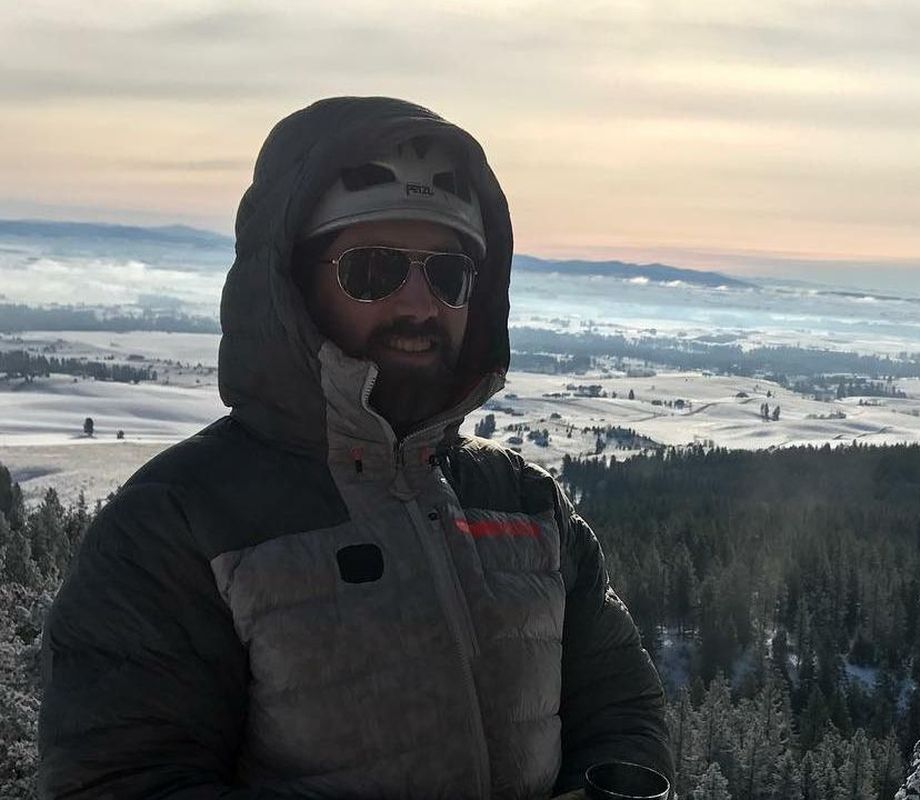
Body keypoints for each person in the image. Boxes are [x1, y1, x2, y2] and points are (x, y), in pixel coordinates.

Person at [37, 96, 672, 799]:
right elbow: (122, 780)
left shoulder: (527, 505)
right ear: (293, 285)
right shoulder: (180, 523)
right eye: (373, 270)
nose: (419, 305)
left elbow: (622, 715)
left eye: (449, 274)